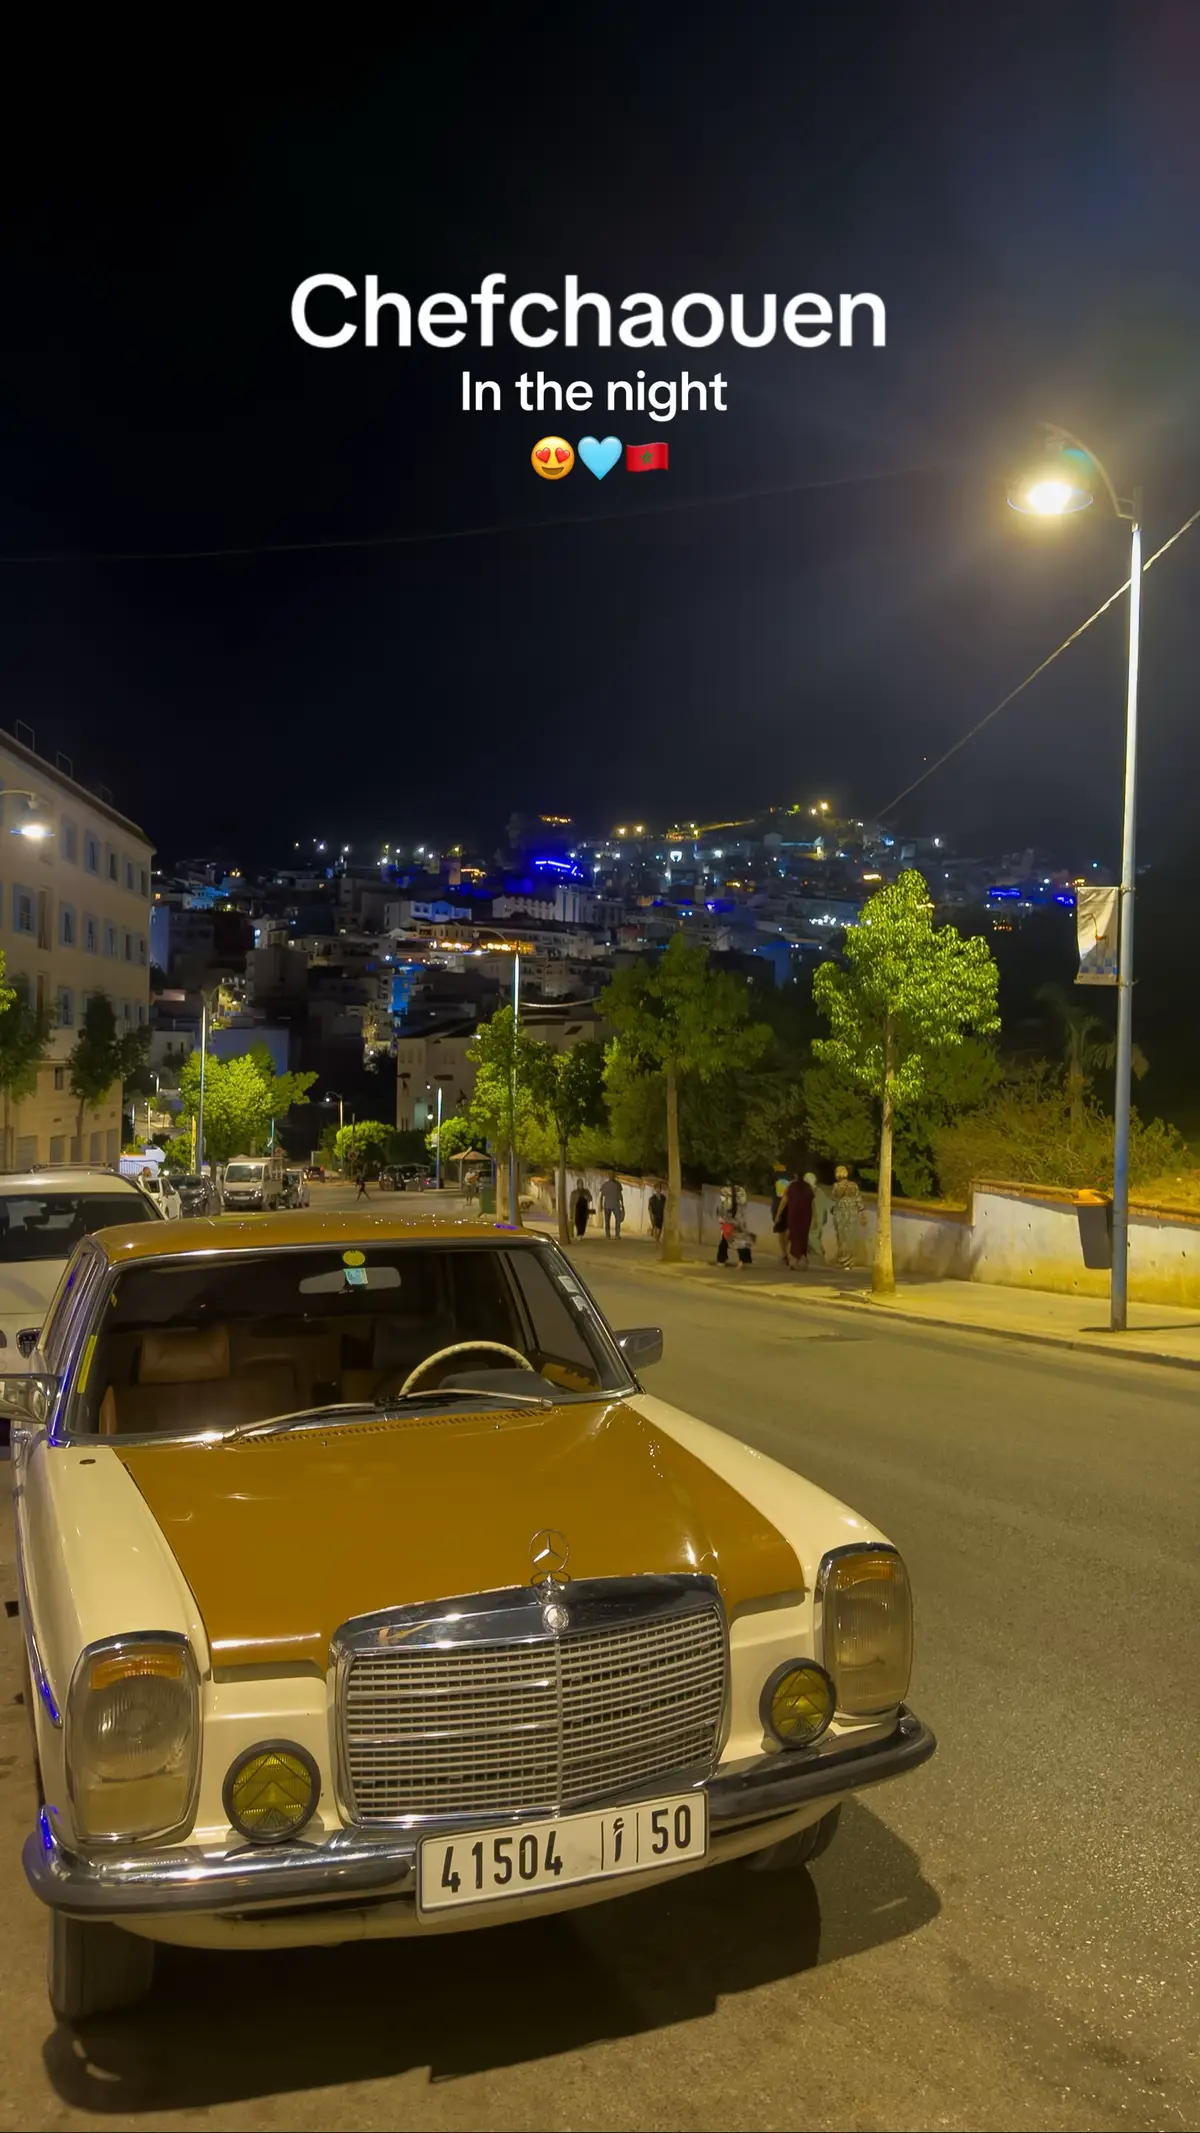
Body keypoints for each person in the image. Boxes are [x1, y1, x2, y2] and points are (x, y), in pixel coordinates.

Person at [831, 1165, 865, 1269]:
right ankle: (849, 1261)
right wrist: (863, 1213)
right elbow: (858, 1200)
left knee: (842, 1237)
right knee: (850, 1237)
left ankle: (843, 1260)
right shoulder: (853, 1185)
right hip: (852, 1213)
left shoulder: (836, 1186)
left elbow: (834, 1198)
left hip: (840, 1213)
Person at [785, 1171, 815, 1269]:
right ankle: (801, 1258)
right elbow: (812, 1203)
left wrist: (778, 1214)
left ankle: (794, 1260)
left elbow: (785, 1199)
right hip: (805, 1215)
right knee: (803, 1236)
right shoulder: (808, 1187)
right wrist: (815, 1217)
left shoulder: (792, 1186)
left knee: (793, 1236)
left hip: (794, 1214)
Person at [806, 1171, 833, 1262]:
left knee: (812, 1237)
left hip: (814, 1218)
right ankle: (814, 1256)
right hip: (820, 1218)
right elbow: (827, 1205)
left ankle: (820, 1255)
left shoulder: (810, 1191)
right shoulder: (819, 1191)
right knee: (815, 1237)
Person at [772, 1164, 791, 1266]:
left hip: (779, 1206)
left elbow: (780, 1197)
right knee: (786, 1231)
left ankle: (784, 1253)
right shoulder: (789, 1180)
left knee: (781, 1232)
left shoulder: (776, 1180)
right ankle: (785, 1253)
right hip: (788, 1208)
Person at [599, 1172, 625, 1240]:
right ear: (608, 1176)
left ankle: (617, 1234)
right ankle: (608, 1234)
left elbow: (620, 1194)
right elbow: (601, 1196)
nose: (611, 1176)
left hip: (616, 1204)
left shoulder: (618, 1184)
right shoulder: (605, 1185)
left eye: (613, 1175)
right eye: (610, 1175)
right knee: (607, 1221)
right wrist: (601, 1205)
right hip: (607, 1205)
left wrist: (622, 1204)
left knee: (618, 1220)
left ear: (614, 1176)